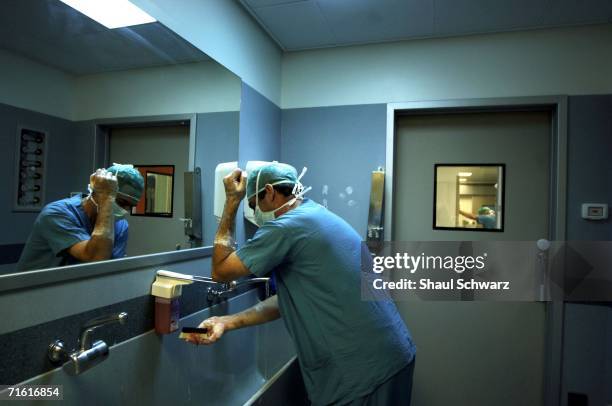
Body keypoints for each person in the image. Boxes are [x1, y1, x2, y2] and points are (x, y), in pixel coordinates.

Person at [183, 163, 416, 406]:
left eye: (254, 204)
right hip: (391, 355)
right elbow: (288, 301)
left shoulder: (287, 227)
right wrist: (225, 322)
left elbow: (220, 270)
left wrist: (232, 200)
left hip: (364, 373)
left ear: (271, 192)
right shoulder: (315, 215)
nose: (256, 212)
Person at [16, 164, 144, 272]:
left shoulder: (120, 225)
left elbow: (109, 269)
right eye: (121, 202)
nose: (125, 210)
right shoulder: (57, 213)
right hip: (31, 292)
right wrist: (107, 199)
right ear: (98, 193)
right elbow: (96, 258)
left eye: (130, 206)